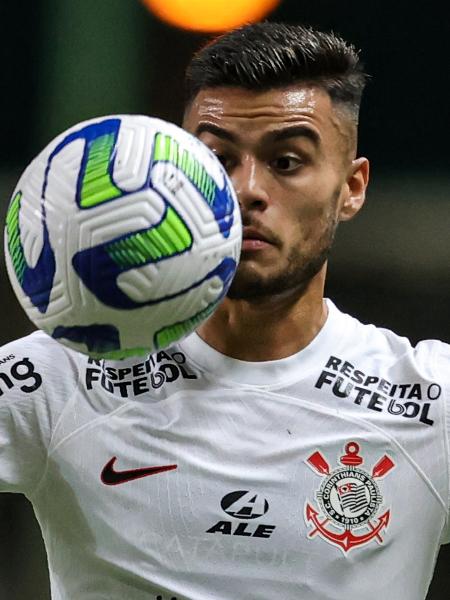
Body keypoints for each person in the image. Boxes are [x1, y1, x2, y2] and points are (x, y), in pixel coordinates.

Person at [0, 22, 449, 600]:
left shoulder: (428, 404)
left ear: (352, 188)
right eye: (218, 158)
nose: (248, 189)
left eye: (287, 161)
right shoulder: (65, 377)